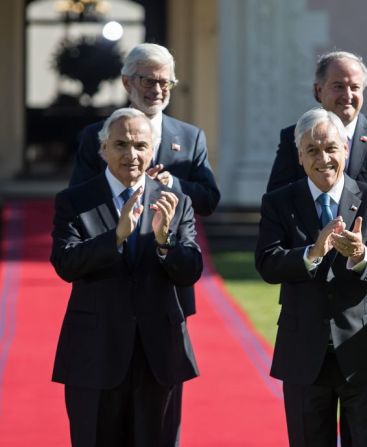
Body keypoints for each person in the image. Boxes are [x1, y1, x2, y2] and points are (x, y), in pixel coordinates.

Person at [69, 43, 217, 440]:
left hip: (164, 295)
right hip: (106, 293)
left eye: (165, 81)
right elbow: (78, 203)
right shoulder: (94, 138)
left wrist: (175, 186)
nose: (157, 88)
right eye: (148, 80)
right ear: (127, 82)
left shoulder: (189, 137)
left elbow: (209, 198)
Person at [51, 108, 202, 446]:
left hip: (158, 356)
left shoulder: (174, 201)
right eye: (120, 144)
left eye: (140, 145)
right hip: (94, 354)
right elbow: (65, 264)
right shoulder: (74, 201)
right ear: (103, 149)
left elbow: (190, 270)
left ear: (152, 150)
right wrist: (115, 237)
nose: (131, 155)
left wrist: (165, 242)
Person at [256, 108, 367, 446]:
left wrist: (362, 256)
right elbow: (267, 263)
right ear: (300, 157)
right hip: (304, 354)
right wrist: (313, 253)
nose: (324, 158)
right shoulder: (279, 202)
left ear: (346, 150)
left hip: (363, 352)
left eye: (331, 148)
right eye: (313, 150)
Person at [266, 50, 367, 304]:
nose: (348, 96)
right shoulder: (295, 136)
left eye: (355, 87)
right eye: (338, 86)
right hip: (310, 277)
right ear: (318, 91)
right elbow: (278, 194)